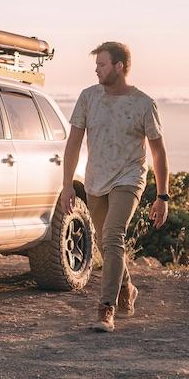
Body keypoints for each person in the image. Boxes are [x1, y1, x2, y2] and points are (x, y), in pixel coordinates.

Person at [57, 41, 169, 332]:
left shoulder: (143, 104)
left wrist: (162, 196)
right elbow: (73, 144)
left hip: (129, 178)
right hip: (96, 179)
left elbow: (158, 151)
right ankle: (127, 287)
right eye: (96, 65)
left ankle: (106, 309)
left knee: (112, 234)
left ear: (119, 67)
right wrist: (67, 184)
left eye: (102, 65)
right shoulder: (88, 98)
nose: (97, 70)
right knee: (108, 245)